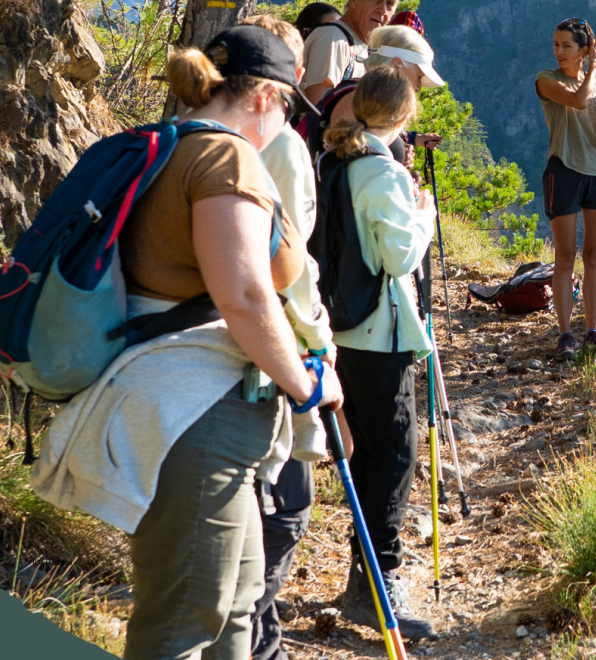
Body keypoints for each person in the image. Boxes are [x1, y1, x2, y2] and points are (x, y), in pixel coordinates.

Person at [104, 26, 340, 659]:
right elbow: (245, 295)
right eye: (288, 106)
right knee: (182, 623)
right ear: (264, 96)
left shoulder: (169, 147)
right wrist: (306, 382)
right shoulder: (226, 158)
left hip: (186, 407)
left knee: (234, 610)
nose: (287, 122)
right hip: (197, 412)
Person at [323, 66, 439, 641]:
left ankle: (361, 579)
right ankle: (379, 583)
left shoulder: (333, 163)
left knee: (367, 455)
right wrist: (424, 215)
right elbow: (399, 259)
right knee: (394, 458)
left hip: (339, 332)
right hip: (380, 335)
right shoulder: (383, 174)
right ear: (401, 117)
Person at [240, 14, 333, 660]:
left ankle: (257, 638)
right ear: (291, 75)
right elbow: (292, 269)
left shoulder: (206, 134)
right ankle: (251, 637)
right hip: (273, 357)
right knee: (286, 512)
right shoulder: (285, 148)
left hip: (209, 357)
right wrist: (319, 352)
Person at [535, 18, 596, 361]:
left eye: (567, 46)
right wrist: (592, 67)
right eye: (556, 45)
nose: (559, 52)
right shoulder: (547, 80)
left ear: (583, 49)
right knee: (565, 256)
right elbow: (577, 101)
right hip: (564, 170)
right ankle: (565, 335)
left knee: (594, 255)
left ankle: (593, 331)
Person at [325, 24, 444, 168]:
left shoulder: (362, 96)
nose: (418, 87)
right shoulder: (356, 100)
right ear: (396, 64)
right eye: (418, 76)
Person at [301, 0, 399, 104]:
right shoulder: (333, 37)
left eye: (390, 3)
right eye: (377, 1)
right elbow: (317, 109)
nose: (383, 11)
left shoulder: (362, 47)